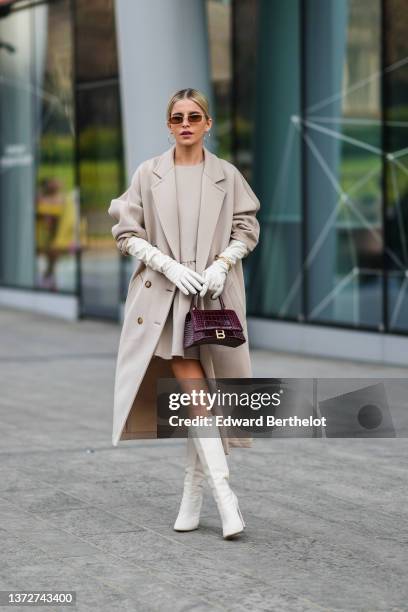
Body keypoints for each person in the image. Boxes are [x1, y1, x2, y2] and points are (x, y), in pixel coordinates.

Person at [110, 87, 260, 539]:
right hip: (165, 299)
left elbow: (247, 228)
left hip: (214, 298)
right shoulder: (148, 173)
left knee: (209, 395)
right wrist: (167, 265)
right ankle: (225, 497)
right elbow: (125, 232)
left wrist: (222, 263)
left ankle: (192, 496)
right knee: (197, 391)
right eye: (178, 117)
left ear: (208, 123)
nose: (186, 124)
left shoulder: (227, 175)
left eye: (195, 116)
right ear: (169, 125)